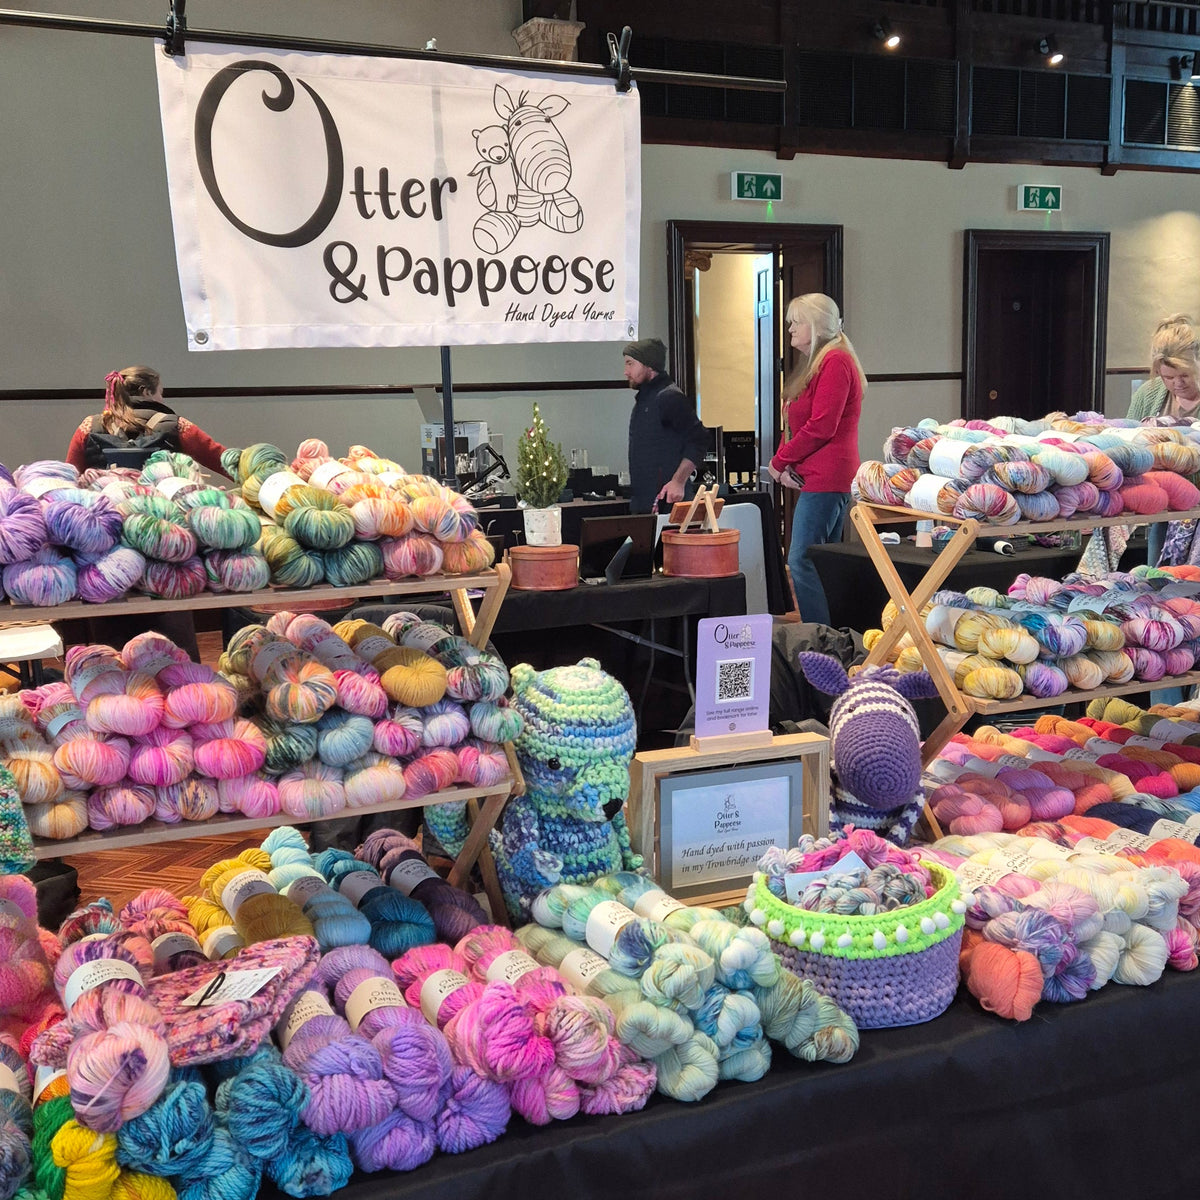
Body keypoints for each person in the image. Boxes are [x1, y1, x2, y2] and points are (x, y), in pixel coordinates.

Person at [769, 293, 866, 627]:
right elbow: (794, 424)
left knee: (802, 559)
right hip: (817, 475)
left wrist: (780, 461)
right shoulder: (817, 362)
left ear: (816, 324)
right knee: (821, 560)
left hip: (828, 477)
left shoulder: (835, 361)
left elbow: (822, 425)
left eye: (796, 322)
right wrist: (784, 462)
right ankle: (829, 634)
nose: (790, 329)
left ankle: (820, 637)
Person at [1127, 315, 1200, 569]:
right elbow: (1130, 446)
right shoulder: (1148, 395)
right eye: (1168, 377)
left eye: (1185, 375)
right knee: (1160, 580)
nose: (1177, 383)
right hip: (1162, 512)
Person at [66, 365, 230, 475]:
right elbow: (224, 461)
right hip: (162, 512)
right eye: (160, 393)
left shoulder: (90, 426)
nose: (162, 399)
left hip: (108, 510)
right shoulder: (177, 426)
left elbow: (70, 475)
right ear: (146, 392)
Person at [622, 337, 710, 514]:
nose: (625, 372)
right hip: (644, 500)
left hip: (669, 501)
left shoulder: (669, 397)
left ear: (649, 365)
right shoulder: (645, 399)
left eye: (630, 364)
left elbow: (699, 440)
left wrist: (678, 481)